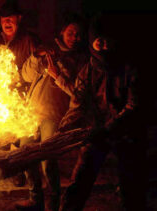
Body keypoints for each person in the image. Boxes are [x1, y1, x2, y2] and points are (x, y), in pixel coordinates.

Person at [58, 15, 147, 211]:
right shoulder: (88, 70)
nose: (104, 47)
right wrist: (63, 130)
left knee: (131, 183)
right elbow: (78, 103)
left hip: (127, 133)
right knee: (80, 180)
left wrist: (109, 129)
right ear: (92, 43)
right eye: (99, 42)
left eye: (107, 42)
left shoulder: (129, 68)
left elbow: (134, 106)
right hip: (97, 131)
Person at [17, 14, 88, 211]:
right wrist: (35, 56)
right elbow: (26, 75)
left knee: (48, 160)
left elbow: (78, 92)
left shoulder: (81, 60)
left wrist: (58, 75)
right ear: (62, 32)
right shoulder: (48, 50)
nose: (75, 37)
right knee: (26, 155)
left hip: (53, 115)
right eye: (71, 33)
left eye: (78, 35)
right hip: (31, 113)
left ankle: (54, 199)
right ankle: (35, 199)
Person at [0, 0, 39, 87]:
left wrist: (14, 79)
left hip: (20, 92)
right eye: (4, 19)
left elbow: (36, 69)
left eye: (10, 18)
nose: (7, 22)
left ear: (19, 18)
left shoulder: (29, 40)